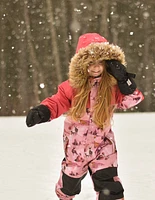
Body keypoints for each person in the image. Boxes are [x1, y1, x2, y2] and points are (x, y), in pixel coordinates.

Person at [26, 33, 144, 200]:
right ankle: (65, 193)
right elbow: (57, 102)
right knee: (69, 186)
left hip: (103, 145)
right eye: (90, 64)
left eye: (99, 64)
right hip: (76, 146)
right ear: (81, 64)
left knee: (110, 186)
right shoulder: (73, 87)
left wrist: (125, 80)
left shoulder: (112, 87)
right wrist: (42, 111)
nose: (95, 68)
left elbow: (133, 100)